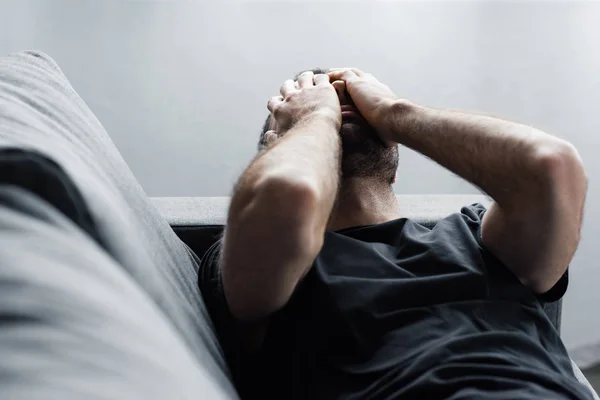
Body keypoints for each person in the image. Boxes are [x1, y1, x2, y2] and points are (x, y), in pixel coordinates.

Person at [199, 67, 592, 399]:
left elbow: (552, 166)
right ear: (274, 148)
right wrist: (312, 120)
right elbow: (289, 192)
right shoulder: (267, 257)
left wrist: (392, 111)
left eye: (346, 100)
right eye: (321, 102)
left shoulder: (479, 236)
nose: (335, 106)